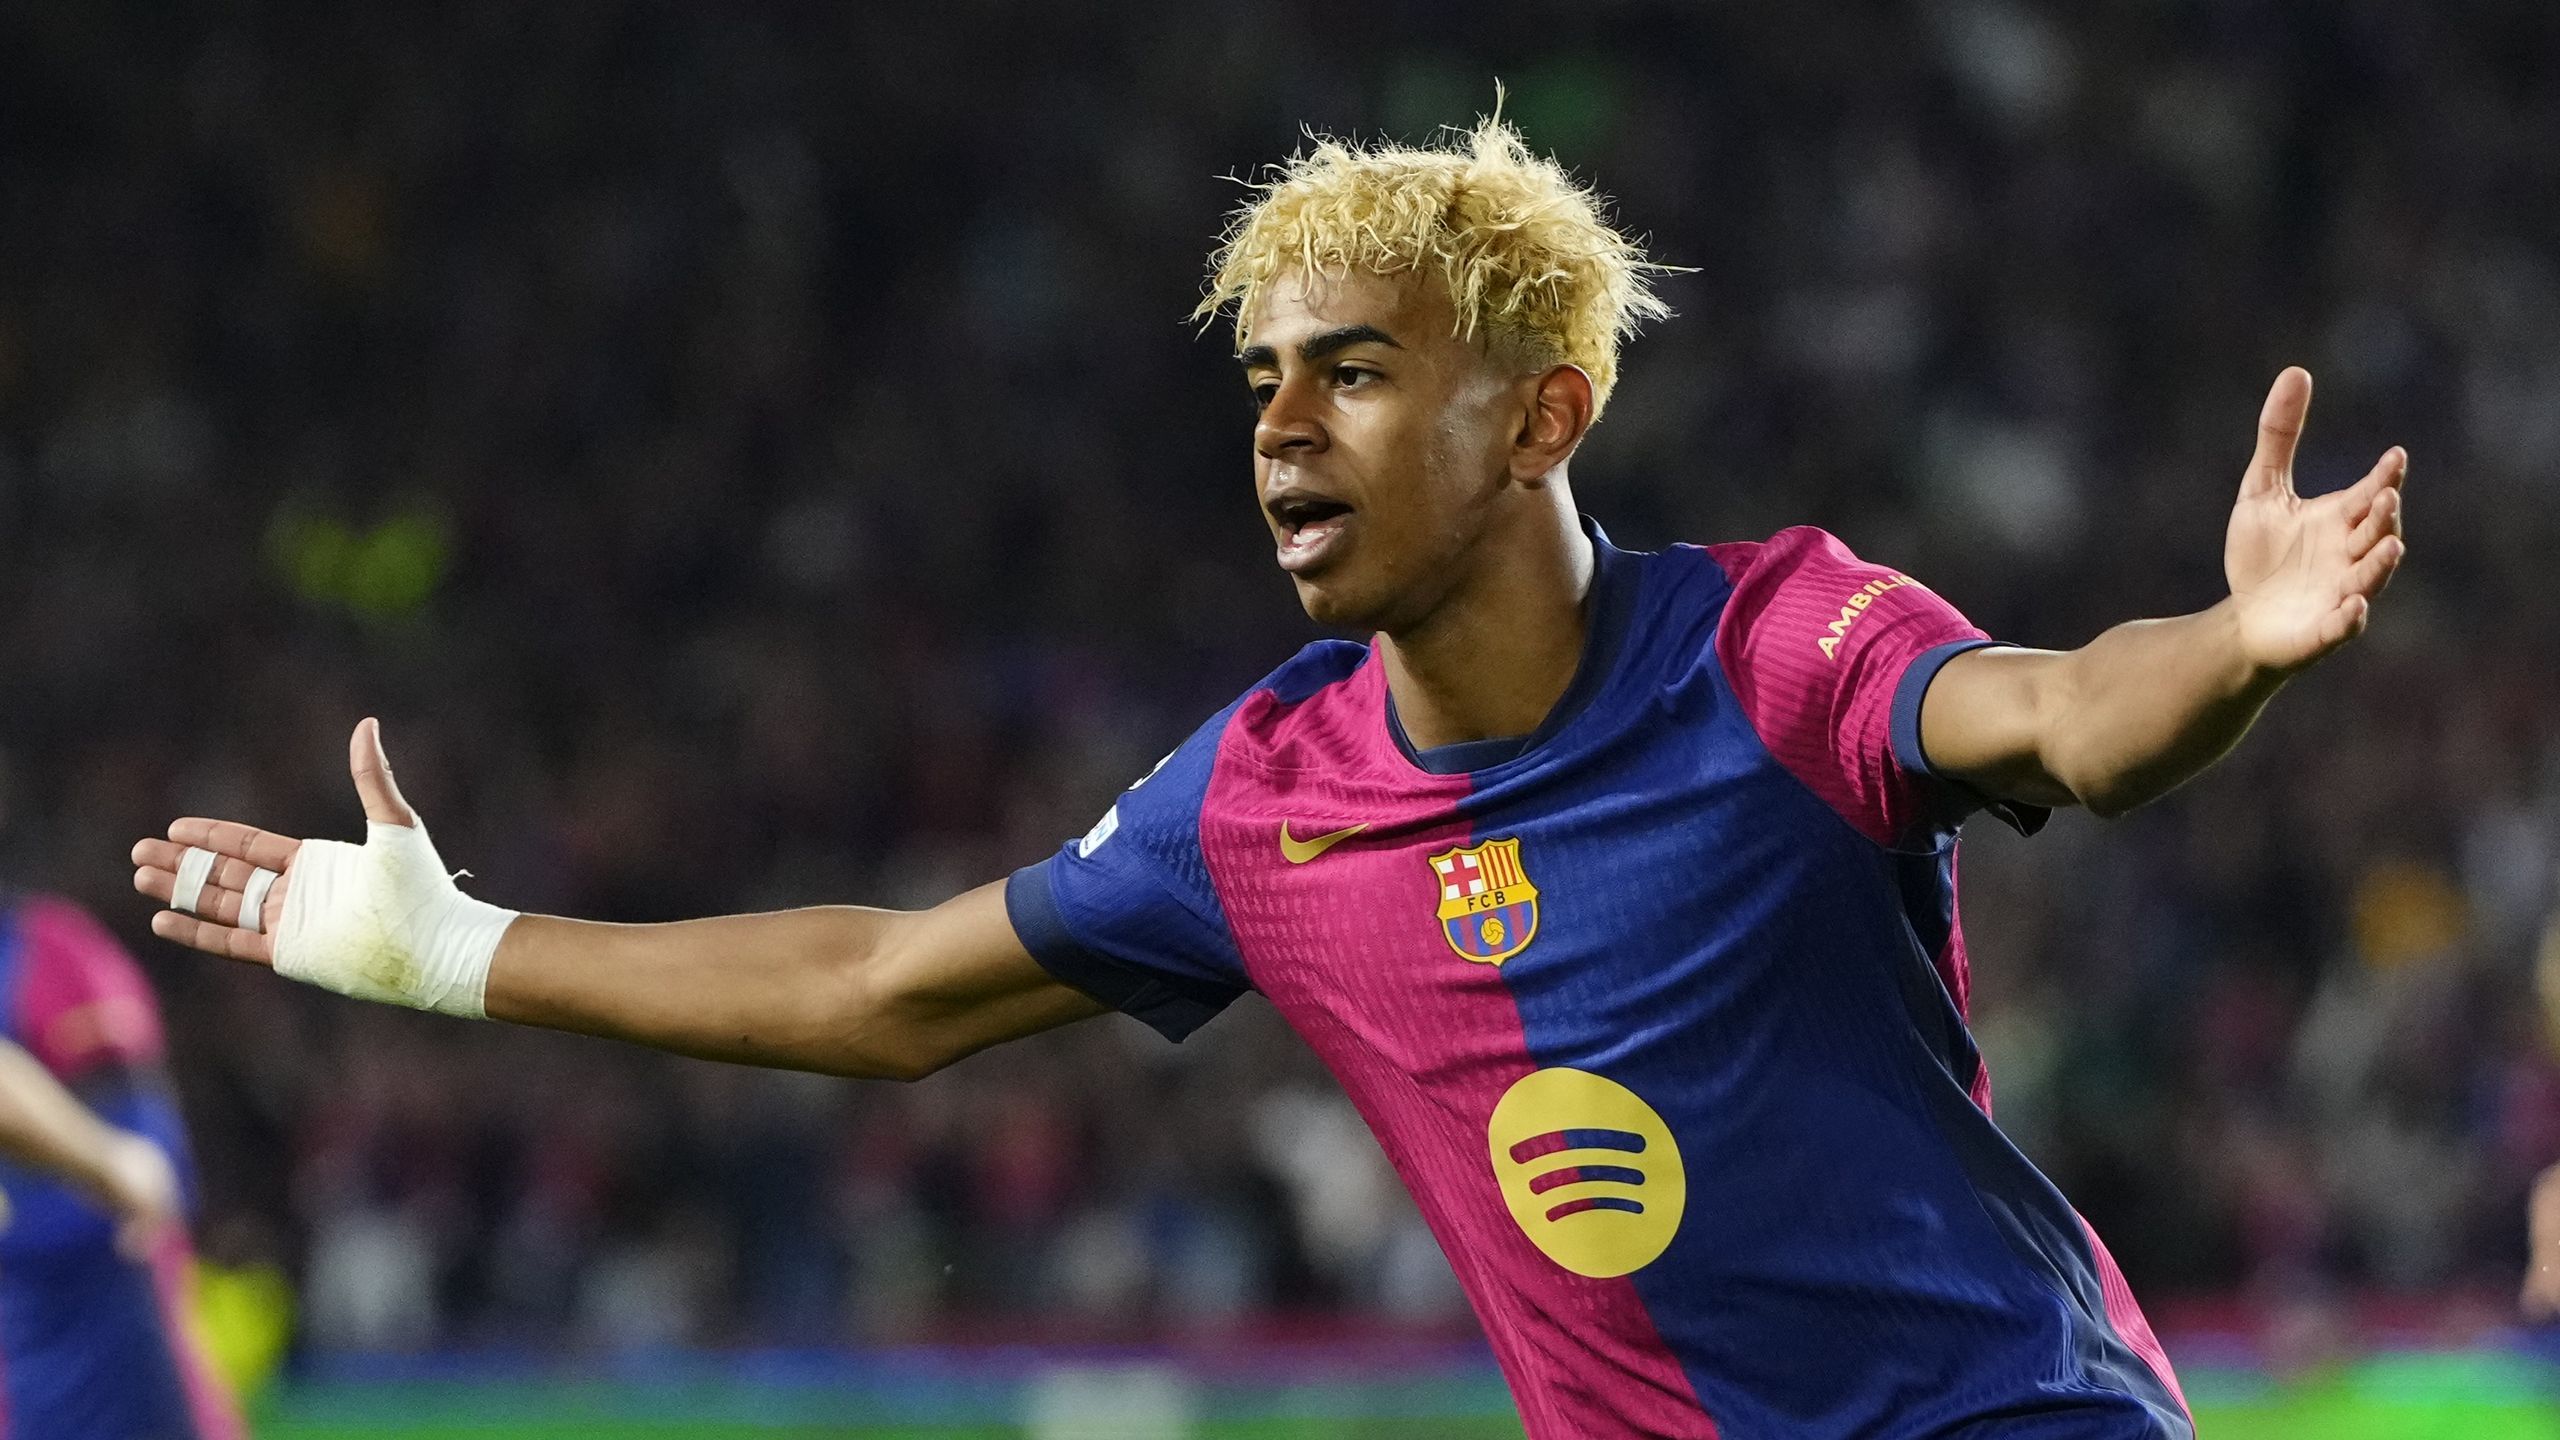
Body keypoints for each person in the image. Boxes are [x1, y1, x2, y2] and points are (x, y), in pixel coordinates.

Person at [128, 115, 2407, 1439]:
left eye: (1354, 373)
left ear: (1538, 415)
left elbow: (2063, 718)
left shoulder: (1773, 647)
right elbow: (886, 986)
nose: (1281, 429)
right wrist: (454, 949)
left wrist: (2235, 644)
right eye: (1263, 384)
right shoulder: (1266, 799)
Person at [0, 894, 244, 1440]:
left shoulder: (46, 952)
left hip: (96, 1336)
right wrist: (109, 1164)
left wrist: (112, 1164)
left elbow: (145, 1153)